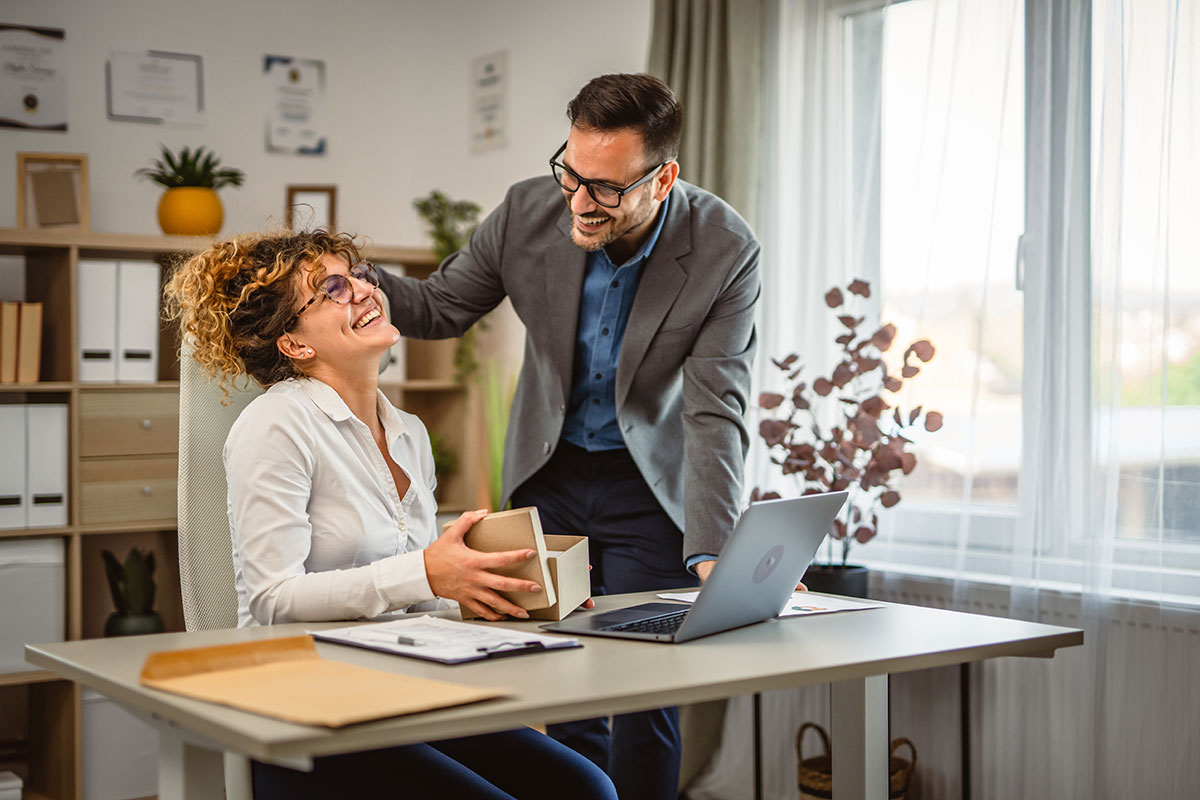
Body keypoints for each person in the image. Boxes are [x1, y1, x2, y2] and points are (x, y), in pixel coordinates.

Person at [378, 73, 760, 800]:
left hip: (647, 484)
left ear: (663, 176)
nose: (580, 203)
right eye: (572, 175)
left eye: (607, 188)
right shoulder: (528, 210)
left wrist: (712, 550)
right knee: (565, 673)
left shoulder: (722, 247)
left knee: (649, 689)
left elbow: (716, 409)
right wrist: (350, 277)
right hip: (548, 472)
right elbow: (439, 307)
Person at [164, 230, 617, 800]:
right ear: (295, 345)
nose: (361, 289)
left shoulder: (410, 433)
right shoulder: (275, 424)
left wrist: (507, 589)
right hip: (305, 711)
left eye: (356, 274)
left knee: (587, 788)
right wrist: (427, 572)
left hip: (408, 693)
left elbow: (422, 599)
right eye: (331, 288)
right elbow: (272, 600)